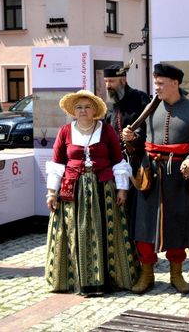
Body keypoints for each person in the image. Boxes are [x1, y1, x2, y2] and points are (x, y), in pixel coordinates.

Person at [122, 63, 189, 295]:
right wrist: (130, 138)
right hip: (149, 174)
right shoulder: (150, 108)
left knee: (177, 225)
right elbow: (139, 141)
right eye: (156, 83)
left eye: (161, 83)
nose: (157, 87)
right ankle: (146, 274)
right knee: (144, 225)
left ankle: (176, 273)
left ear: (175, 83)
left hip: (178, 177)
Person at [44, 90, 139, 295]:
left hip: (103, 188)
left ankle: (108, 278)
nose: (83, 110)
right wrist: (52, 192)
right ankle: (73, 279)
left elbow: (118, 161)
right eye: (79, 107)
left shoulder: (106, 131)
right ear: (73, 111)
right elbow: (58, 163)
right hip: (73, 189)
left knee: (105, 231)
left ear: (95, 110)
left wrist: (122, 189)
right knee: (72, 233)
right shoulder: (65, 131)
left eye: (87, 107)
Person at [103, 64, 150, 235]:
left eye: (112, 81)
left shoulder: (140, 98)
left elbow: (151, 127)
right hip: (113, 164)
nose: (108, 85)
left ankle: (140, 255)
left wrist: (135, 136)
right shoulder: (108, 104)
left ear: (123, 79)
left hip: (138, 162)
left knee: (137, 209)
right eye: (106, 81)